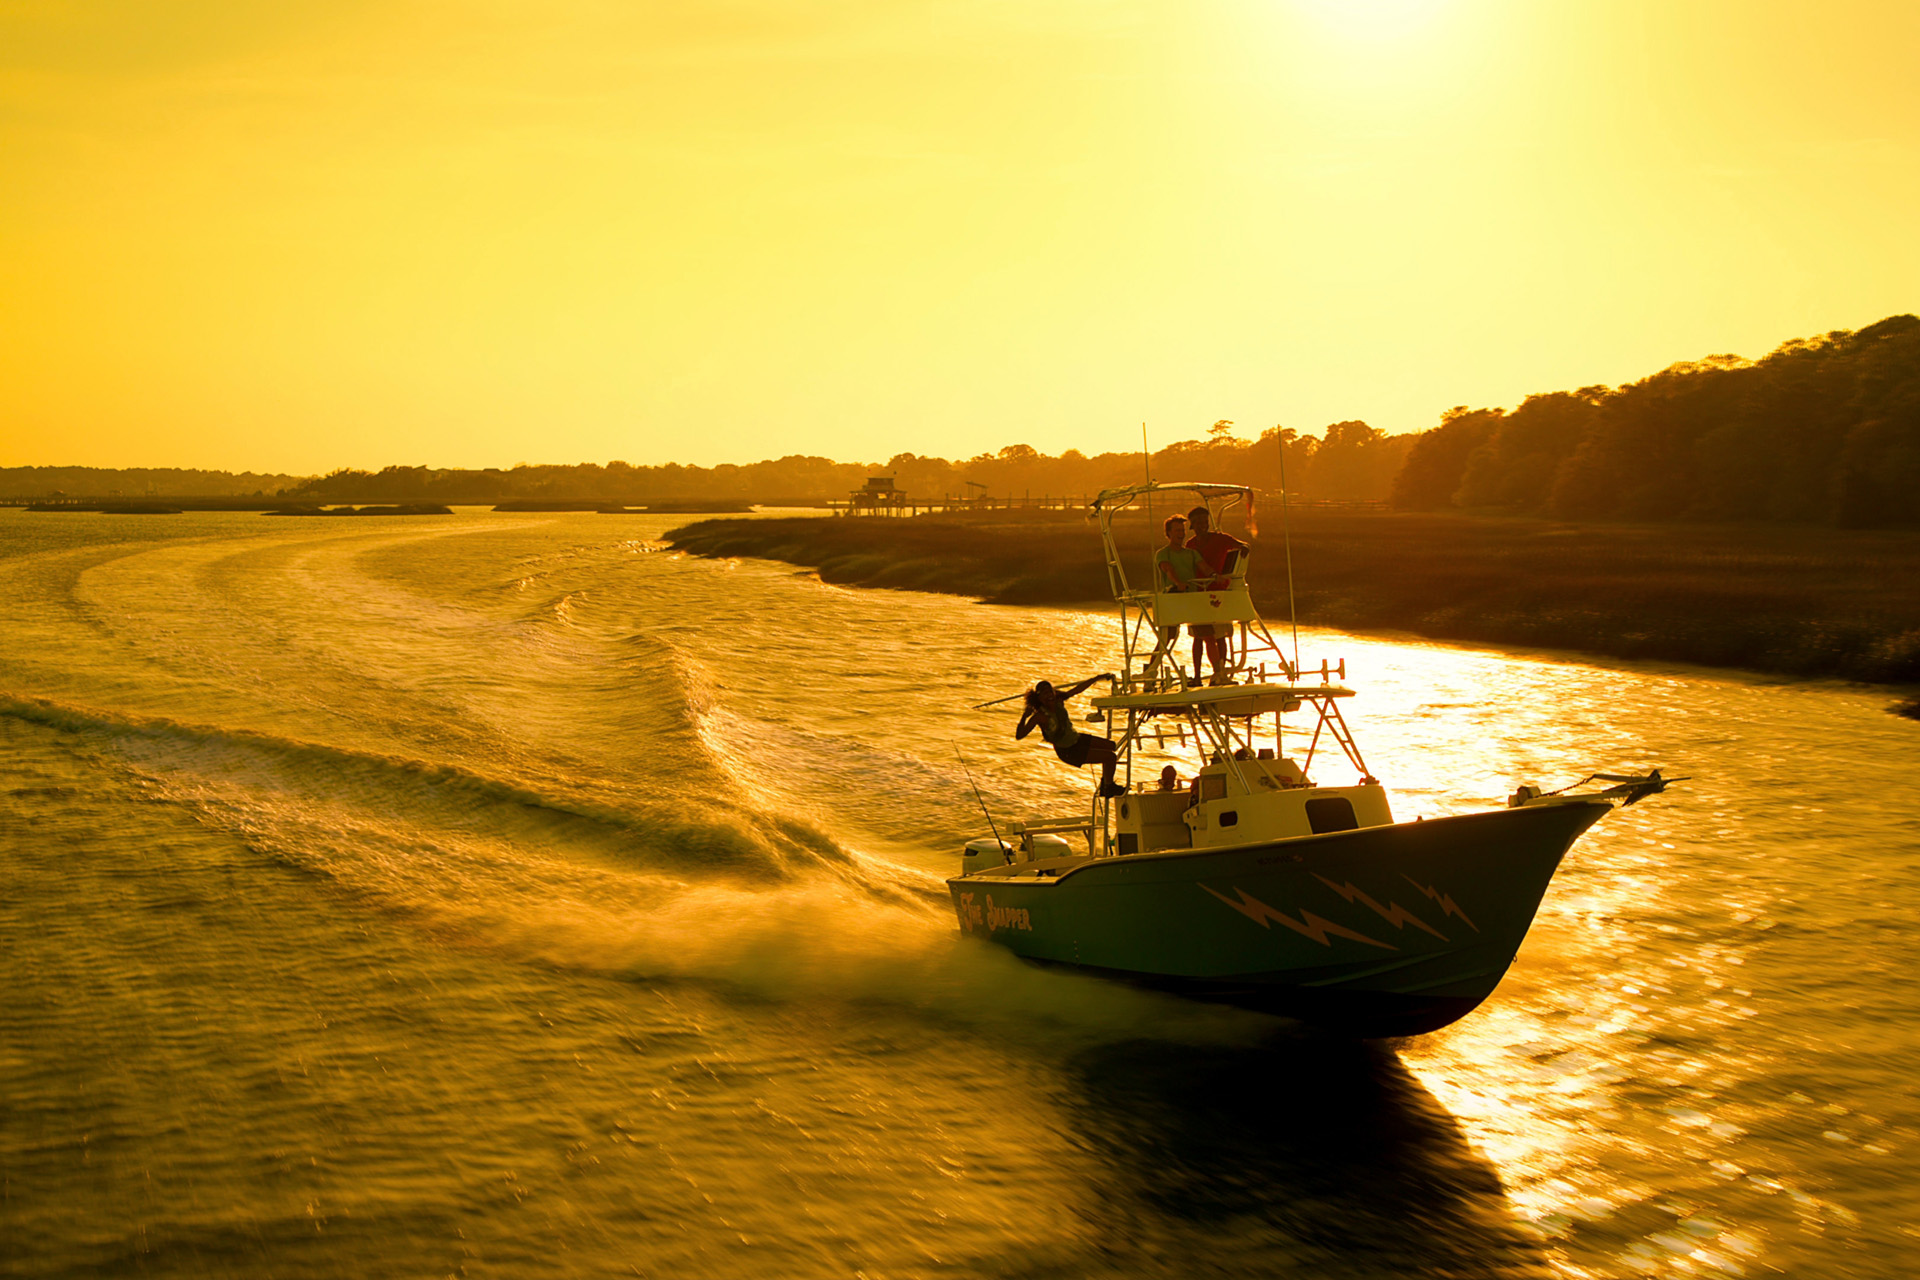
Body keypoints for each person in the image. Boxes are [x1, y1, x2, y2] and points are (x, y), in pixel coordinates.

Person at [1016, 675, 1127, 798]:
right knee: (1111, 757)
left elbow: (1078, 689)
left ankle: (1105, 783)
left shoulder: (1059, 700)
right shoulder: (1040, 716)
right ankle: (1109, 787)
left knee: (1111, 746)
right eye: (1045, 694)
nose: (1049, 696)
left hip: (1077, 738)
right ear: (1039, 698)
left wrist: (1097, 678)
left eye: (1050, 691)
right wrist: (1024, 717)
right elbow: (1019, 735)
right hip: (1068, 750)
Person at [1186, 506, 1249, 685]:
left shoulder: (1221, 539)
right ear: (1192, 525)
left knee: (1220, 635)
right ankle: (1197, 677)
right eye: (1197, 523)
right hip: (1198, 593)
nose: (1202, 526)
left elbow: (1242, 545)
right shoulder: (1190, 545)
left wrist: (1243, 550)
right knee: (1198, 636)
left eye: (1205, 522)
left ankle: (1221, 673)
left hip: (1218, 593)